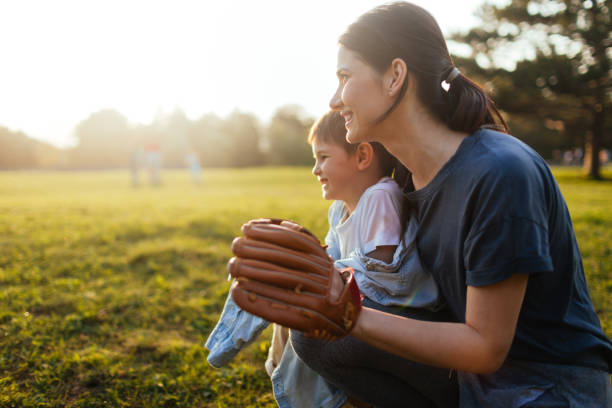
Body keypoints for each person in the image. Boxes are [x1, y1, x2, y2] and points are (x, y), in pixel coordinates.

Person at [230, 2, 612, 407]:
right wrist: (336, 280)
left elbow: (486, 348)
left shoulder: (500, 172)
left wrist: (349, 312)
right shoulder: (405, 177)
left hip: (546, 387)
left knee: (341, 329)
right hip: (471, 382)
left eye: (345, 77)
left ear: (395, 76)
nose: (334, 100)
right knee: (319, 340)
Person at [207, 110, 454, 407]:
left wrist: (322, 277)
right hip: (368, 304)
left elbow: (386, 275)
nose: (315, 169)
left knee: (302, 296)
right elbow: (335, 260)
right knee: (289, 287)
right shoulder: (339, 210)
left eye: (323, 157)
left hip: (403, 314)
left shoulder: (380, 197)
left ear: (362, 156)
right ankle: (243, 351)